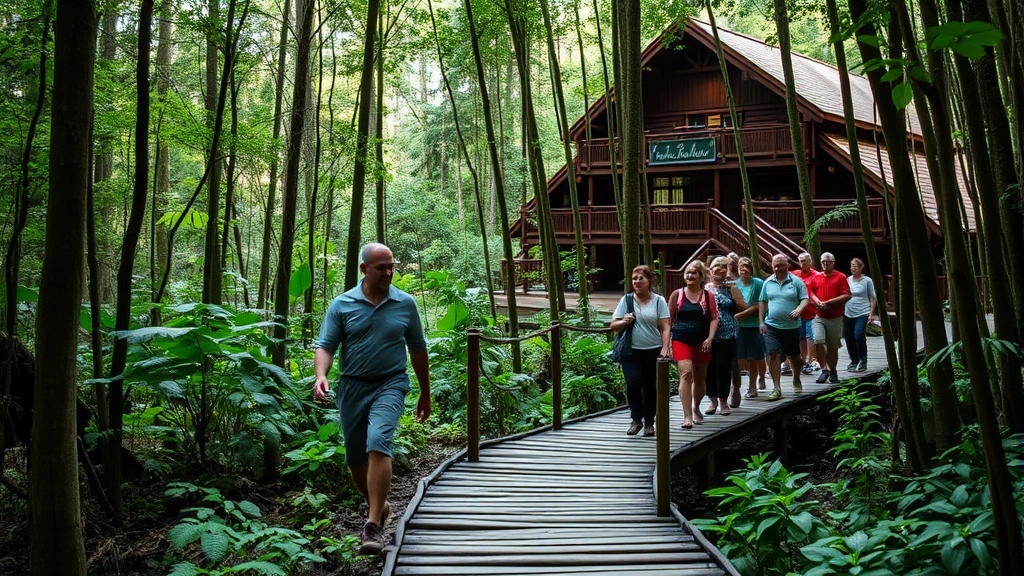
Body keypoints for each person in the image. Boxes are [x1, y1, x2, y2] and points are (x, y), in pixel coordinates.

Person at [313, 243, 431, 556]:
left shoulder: (405, 304)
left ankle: (373, 525)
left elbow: (418, 350)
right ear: (364, 269)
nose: (389, 272)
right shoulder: (342, 305)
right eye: (381, 267)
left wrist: (425, 391)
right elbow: (326, 346)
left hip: (390, 383)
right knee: (355, 460)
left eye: (392, 266)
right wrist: (321, 375)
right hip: (352, 386)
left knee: (378, 440)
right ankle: (380, 505)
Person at [611, 266, 672, 436]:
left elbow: (665, 327)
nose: (636, 282)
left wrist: (665, 349)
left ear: (649, 281)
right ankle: (636, 420)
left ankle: (649, 422)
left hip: (652, 350)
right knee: (633, 383)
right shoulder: (626, 300)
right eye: (634, 278)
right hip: (630, 351)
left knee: (649, 386)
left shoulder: (659, 301)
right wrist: (624, 321)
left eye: (640, 278)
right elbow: (613, 325)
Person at [669, 260, 718, 428]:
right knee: (685, 374)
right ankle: (687, 415)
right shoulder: (677, 294)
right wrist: (667, 342)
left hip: (702, 341)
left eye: (693, 273)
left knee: (699, 379)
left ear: (700, 276)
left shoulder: (707, 296)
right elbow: (668, 319)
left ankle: (696, 408)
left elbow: (713, 318)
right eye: (687, 273)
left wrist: (710, 338)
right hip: (681, 339)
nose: (689, 276)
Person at [759, 254, 809, 400]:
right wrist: (761, 321)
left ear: (787, 265)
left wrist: (798, 310)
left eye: (781, 265)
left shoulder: (796, 281)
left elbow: (805, 298)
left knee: (794, 356)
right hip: (771, 325)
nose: (778, 269)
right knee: (772, 354)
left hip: (791, 326)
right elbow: (762, 301)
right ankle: (777, 388)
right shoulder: (768, 282)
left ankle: (796, 379)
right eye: (775, 266)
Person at [704, 256, 746, 415]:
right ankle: (712, 401)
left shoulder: (730, 288)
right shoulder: (704, 288)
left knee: (724, 367)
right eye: (716, 266)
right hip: (707, 335)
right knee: (710, 368)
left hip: (727, 334)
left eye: (723, 266)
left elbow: (742, 306)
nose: (720, 269)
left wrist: (729, 304)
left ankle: (723, 401)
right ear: (710, 269)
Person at [809, 252, 851, 384]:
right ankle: (824, 369)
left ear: (833, 262)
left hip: (835, 317)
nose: (825, 264)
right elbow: (810, 292)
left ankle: (832, 370)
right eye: (823, 262)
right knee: (818, 341)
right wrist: (818, 302)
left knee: (833, 347)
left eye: (828, 262)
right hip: (819, 316)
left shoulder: (840, 277)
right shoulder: (816, 277)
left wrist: (830, 302)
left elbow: (847, 295)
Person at [734, 257, 767, 397]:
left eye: (747, 266)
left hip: (754, 325)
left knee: (756, 356)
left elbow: (761, 303)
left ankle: (758, 380)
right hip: (740, 326)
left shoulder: (758, 283)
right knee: (744, 357)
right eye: (741, 266)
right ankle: (746, 386)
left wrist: (745, 314)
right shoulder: (734, 285)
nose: (744, 269)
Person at [844, 258, 876, 372]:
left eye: (855, 266)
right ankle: (854, 360)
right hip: (848, 312)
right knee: (848, 337)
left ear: (861, 267)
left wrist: (871, 314)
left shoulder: (867, 280)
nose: (853, 268)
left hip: (862, 312)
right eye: (851, 265)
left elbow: (872, 298)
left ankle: (863, 359)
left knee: (858, 335)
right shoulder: (847, 280)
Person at [791, 252, 821, 376]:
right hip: (798, 312)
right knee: (801, 338)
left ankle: (813, 359)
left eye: (805, 261)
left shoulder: (816, 275)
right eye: (800, 261)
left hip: (812, 312)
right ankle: (804, 361)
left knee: (811, 337)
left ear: (810, 261)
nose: (802, 263)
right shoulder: (795, 274)